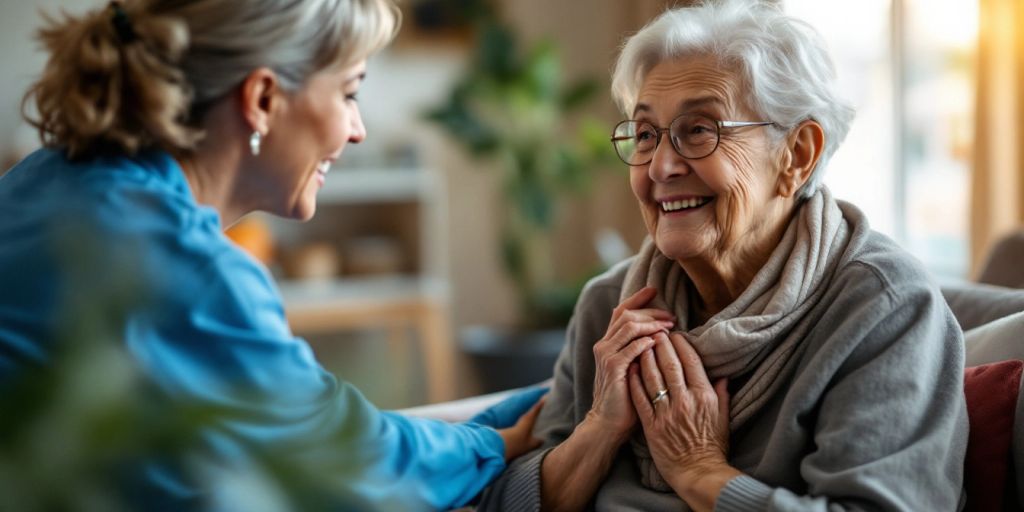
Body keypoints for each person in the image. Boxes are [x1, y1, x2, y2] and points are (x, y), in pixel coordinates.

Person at [0, 0, 545, 510]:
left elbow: (319, 422)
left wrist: (499, 421)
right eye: (349, 93)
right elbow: (351, 462)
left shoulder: (40, 178)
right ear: (262, 99)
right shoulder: (192, 272)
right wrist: (502, 441)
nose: (356, 130)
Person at [479, 0, 968, 510]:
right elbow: (505, 500)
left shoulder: (883, 308)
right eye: (646, 134)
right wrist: (599, 428)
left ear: (796, 155)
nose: (662, 165)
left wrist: (700, 472)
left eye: (699, 130)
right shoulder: (610, 306)